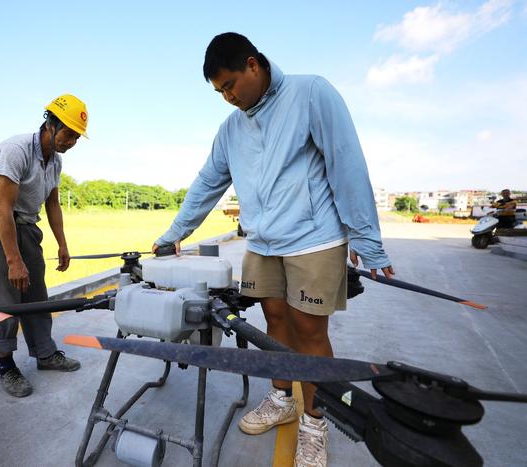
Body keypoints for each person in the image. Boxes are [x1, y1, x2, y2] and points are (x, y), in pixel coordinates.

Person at [152, 33, 394, 466]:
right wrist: (175, 232)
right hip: (262, 242)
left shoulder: (310, 93)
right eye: (219, 92)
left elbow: (346, 161)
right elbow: (209, 182)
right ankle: (283, 397)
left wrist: (366, 240)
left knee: (310, 333)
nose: (227, 98)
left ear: (253, 65)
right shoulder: (231, 128)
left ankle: (316, 421)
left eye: (229, 85)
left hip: (314, 238)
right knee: (273, 321)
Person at [0, 94, 88, 397]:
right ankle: (6, 366)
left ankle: (45, 354)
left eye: (76, 137)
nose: (71, 141)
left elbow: (52, 204)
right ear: (49, 124)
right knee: (5, 299)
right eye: (68, 133)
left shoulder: (56, 161)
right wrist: (13, 260)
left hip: (26, 226)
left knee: (37, 293)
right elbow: (3, 208)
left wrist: (62, 244)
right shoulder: (16, 150)